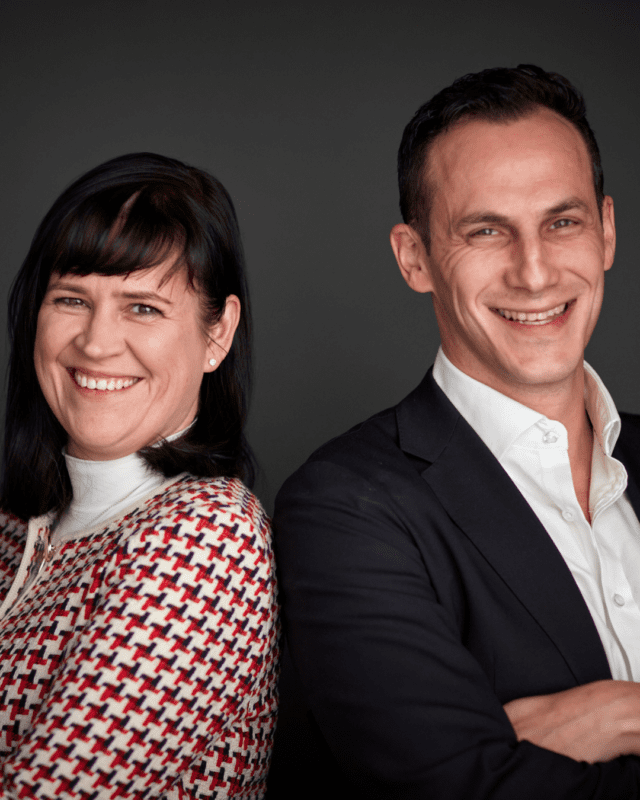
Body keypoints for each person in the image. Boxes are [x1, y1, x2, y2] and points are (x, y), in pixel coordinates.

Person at [273, 65, 640, 798]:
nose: (534, 273)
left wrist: (628, 716)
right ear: (415, 259)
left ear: (605, 232)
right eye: (486, 231)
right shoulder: (346, 506)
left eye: (561, 222)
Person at [0, 152, 279, 798]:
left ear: (218, 333)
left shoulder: (210, 541)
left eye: (143, 308)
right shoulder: (18, 528)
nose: (96, 343)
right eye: (72, 298)